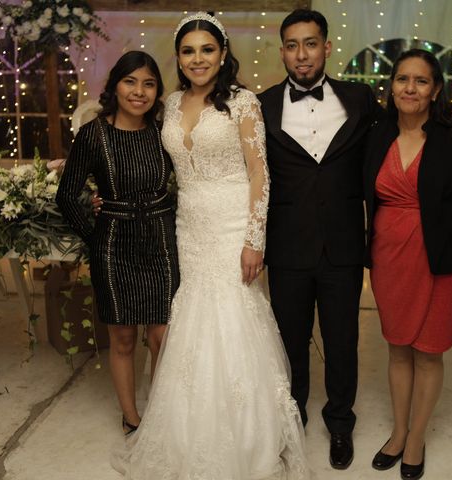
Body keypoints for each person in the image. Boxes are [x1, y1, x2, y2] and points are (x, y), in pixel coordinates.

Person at [110, 12, 309, 479]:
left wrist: (253, 238)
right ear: (178, 58)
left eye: (206, 49)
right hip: (188, 226)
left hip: (232, 223)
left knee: (235, 319)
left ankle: (249, 437)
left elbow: (260, 172)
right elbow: (142, 149)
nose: (197, 59)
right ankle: (189, 433)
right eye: (187, 51)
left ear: (222, 54)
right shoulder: (170, 103)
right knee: (191, 323)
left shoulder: (242, 103)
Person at [258, 9, 384, 469]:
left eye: (310, 43)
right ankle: (292, 422)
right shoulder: (263, 104)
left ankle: (341, 424)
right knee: (288, 343)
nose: (301, 54)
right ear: (283, 51)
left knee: (341, 341)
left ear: (327, 47)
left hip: (343, 246)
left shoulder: (361, 100)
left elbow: (403, 133)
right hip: (287, 246)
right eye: (292, 45)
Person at [364, 48, 452, 479]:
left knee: (429, 353)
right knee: (398, 349)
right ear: (392, 86)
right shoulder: (377, 135)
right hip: (389, 258)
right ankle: (398, 432)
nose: (410, 88)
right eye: (402, 79)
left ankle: (417, 437)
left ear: (436, 89)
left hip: (441, 261)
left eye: (420, 81)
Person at [56, 51, 179, 436]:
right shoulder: (94, 134)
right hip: (114, 246)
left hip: (160, 241)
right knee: (123, 337)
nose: (139, 92)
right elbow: (66, 195)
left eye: (148, 83)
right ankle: (131, 417)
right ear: (115, 86)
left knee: (163, 335)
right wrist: (95, 236)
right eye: (131, 82)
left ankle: (162, 412)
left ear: (157, 91)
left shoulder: (165, 131)